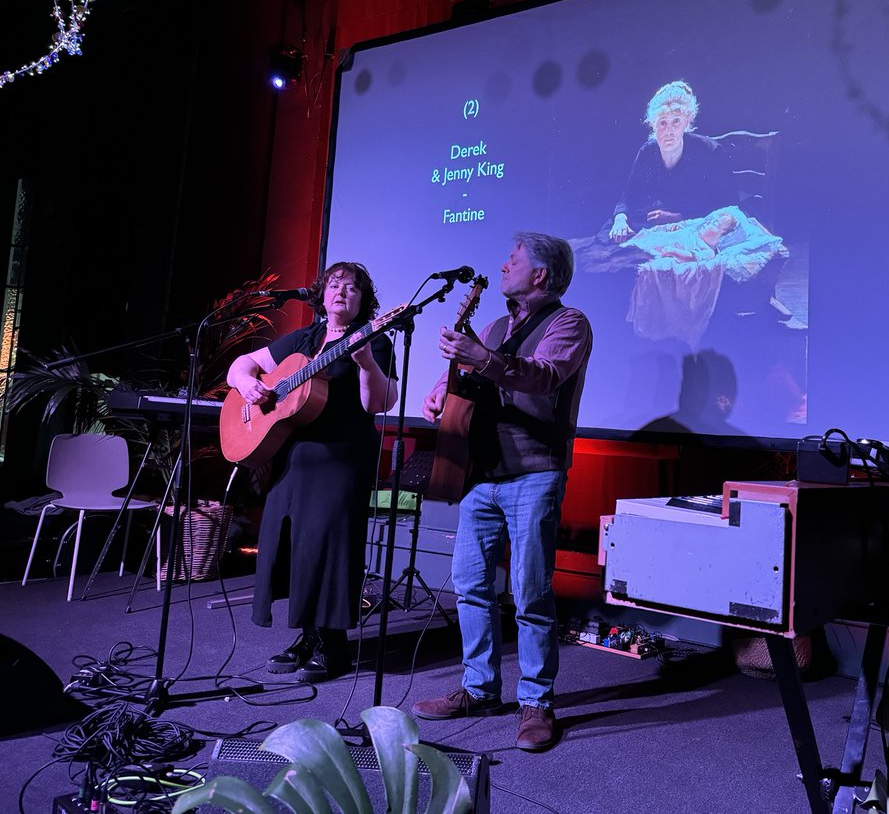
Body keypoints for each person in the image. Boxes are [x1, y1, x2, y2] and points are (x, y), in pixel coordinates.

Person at [412, 232, 592, 753]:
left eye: (513, 260)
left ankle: (536, 702)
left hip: (534, 471)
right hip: (481, 473)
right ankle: (479, 689)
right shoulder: (493, 326)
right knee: (471, 586)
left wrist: (483, 358)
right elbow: (467, 380)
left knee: (530, 591)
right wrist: (439, 393)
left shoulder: (568, 323)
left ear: (540, 274)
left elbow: (545, 377)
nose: (503, 266)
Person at [226, 262, 398, 682]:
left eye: (352, 288)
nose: (342, 292)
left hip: (341, 458)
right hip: (295, 457)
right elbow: (240, 365)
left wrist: (366, 364)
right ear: (321, 294)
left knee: (330, 547)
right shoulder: (305, 338)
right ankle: (308, 637)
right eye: (335, 285)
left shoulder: (374, 339)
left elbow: (377, 403)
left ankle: (334, 645)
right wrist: (248, 385)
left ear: (363, 301)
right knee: (294, 546)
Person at [608, 80, 738, 242]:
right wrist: (620, 218)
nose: (669, 131)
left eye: (676, 121)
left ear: (686, 122)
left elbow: (726, 206)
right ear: (653, 125)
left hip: (697, 228)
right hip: (656, 228)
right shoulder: (648, 151)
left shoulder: (711, 152)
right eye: (663, 123)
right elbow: (630, 194)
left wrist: (679, 217)